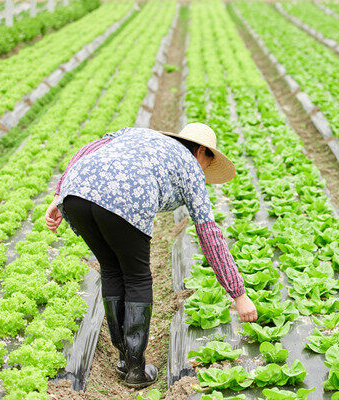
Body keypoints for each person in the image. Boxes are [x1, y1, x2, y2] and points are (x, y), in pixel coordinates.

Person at [45, 123, 257, 389]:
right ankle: (135, 369)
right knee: (137, 277)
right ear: (201, 151)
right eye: (207, 162)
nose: (204, 170)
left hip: (76, 192)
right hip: (123, 199)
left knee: (111, 268)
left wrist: (58, 194)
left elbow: (89, 148)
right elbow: (209, 234)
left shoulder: (139, 134)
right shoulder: (191, 167)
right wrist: (238, 294)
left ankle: (125, 358)